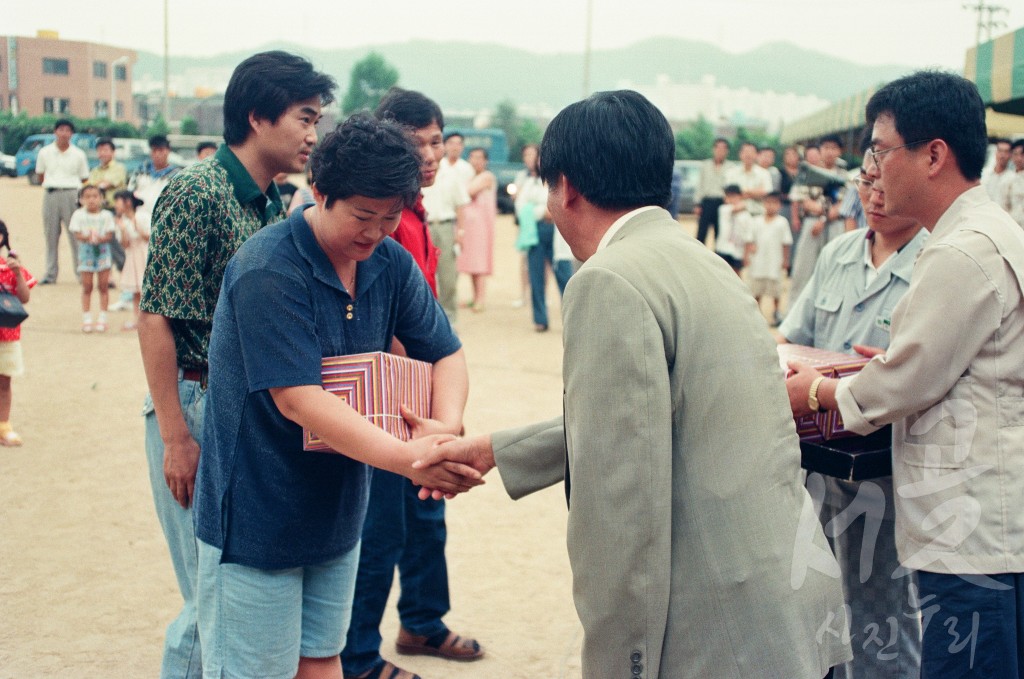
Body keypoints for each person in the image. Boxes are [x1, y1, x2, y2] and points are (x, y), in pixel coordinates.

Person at [416, 89, 851, 679]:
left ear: (566, 186)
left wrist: (623, 662)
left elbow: (621, 510)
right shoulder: (701, 262)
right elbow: (656, 415)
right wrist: (494, 451)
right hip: (782, 606)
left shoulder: (607, 282)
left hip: (717, 635)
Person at [192, 113, 480, 679]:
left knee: (324, 660)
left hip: (339, 513)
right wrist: (415, 460)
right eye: (363, 216)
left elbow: (446, 352)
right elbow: (299, 399)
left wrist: (443, 429)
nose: (375, 232)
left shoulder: (390, 264)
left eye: (392, 218)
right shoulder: (268, 269)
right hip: (259, 516)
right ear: (319, 192)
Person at [786, 70, 1024, 679]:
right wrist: (884, 368)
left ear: (934, 156)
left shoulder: (959, 250)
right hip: (980, 524)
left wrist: (816, 390)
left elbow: (906, 381)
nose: (875, 169)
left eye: (881, 150)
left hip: (971, 536)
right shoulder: (985, 233)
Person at [137, 50, 337, 679]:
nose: (313, 135)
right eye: (305, 118)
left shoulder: (270, 201)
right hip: (194, 402)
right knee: (210, 595)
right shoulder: (197, 191)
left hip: (238, 409)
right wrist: (175, 436)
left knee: (227, 590)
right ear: (257, 116)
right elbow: (154, 317)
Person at [341, 87, 485, 679]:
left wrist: (443, 412)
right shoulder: (377, 222)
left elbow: (435, 334)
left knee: (428, 516)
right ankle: (355, 657)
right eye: (415, 143)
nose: (429, 155)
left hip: (422, 397)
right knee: (379, 532)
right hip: (386, 403)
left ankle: (422, 620)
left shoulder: (418, 217)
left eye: (434, 141)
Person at [778, 147, 927, 679]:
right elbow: (794, 339)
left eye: (885, 182)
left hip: (888, 472)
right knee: (817, 601)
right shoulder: (837, 253)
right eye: (865, 181)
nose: (874, 195)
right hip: (817, 466)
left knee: (881, 613)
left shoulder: (936, 262)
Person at [514, 143, 571, 332]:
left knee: (564, 275)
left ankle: (572, 319)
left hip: (557, 231)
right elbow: (522, 208)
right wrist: (543, 211)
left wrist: (547, 211)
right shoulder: (530, 183)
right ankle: (540, 319)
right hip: (536, 232)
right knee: (536, 276)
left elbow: (565, 206)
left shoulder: (562, 182)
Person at [420, 131, 470, 324]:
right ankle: (427, 320)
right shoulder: (421, 171)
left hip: (446, 227)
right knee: (423, 274)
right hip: (425, 226)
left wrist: (461, 232)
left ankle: (449, 321)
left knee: (448, 277)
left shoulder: (452, 174)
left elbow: (461, 205)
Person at [35, 118, 88, 284]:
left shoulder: (79, 154)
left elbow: (84, 178)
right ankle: (51, 274)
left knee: (75, 235)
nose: (64, 133)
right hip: (51, 194)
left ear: (72, 133)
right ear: (55, 132)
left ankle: (81, 273)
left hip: (72, 194)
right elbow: (40, 175)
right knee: (50, 235)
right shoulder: (44, 152)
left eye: (67, 130)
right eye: (61, 129)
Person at [0, 219, 35, 446]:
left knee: (4, 383)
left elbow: (24, 297)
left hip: (7, 335)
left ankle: (4, 425)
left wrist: (18, 274)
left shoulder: (10, 267)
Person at [69, 185, 116, 333]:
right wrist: (87, 237)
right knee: (87, 286)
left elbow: (109, 235)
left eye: (95, 196)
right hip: (85, 255)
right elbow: (76, 234)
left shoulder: (106, 216)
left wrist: (99, 238)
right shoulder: (78, 215)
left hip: (103, 254)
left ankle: (102, 317)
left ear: (101, 198)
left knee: (103, 286)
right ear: (81, 199)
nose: (91, 200)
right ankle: (87, 318)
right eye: (87, 196)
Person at [456, 147, 497, 312]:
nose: (475, 161)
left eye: (479, 158)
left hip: (481, 226)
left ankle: (481, 298)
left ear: (485, 161)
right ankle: (474, 297)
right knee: (471, 262)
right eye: (472, 157)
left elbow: (467, 192)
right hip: (469, 225)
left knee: (479, 262)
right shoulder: (470, 176)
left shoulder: (487, 176)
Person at [743, 191, 792, 325]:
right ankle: (756, 314)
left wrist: (786, 260)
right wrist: (747, 255)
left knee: (775, 291)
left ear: (779, 205)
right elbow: (749, 240)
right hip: (758, 262)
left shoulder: (782, 222)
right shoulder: (756, 221)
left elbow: (786, 243)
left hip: (774, 263)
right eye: (768, 203)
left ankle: (776, 312)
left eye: (774, 203)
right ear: (764, 204)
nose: (770, 206)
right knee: (756, 290)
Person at [113, 190, 150, 331]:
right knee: (136, 291)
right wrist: (122, 229)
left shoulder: (142, 216)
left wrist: (135, 224)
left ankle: (147, 320)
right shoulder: (121, 221)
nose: (116, 205)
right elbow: (125, 244)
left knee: (146, 289)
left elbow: (149, 237)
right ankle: (137, 319)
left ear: (128, 202)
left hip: (145, 253)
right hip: (133, 255)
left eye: (118, 201)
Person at [693, 137, 730, 247]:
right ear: (713, 149)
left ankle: (719, 257)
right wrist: (697, 204)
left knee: (720, 232)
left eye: (723, 149)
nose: (720, 151)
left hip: (722, 202)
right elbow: (700, 185)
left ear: (727, 151)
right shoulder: (705, 165)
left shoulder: (731, 167)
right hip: (707, 202)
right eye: (718, 148)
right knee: (701, 232)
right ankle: (698, 255)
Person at [130, 135, 182, 212]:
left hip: (162, 215)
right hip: (139, 214)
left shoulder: (176, 175)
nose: (157, 154)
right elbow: (130, 190)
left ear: (168, 151)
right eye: (154, 150)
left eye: (161, 150)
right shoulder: (141, 170)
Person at [725, 140, 772, 216]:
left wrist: (741, 193)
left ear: (757, 155)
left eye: (751, 152)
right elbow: (728, 196)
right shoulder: (731, 173)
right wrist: (756, 192)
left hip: (758, 213)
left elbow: (766, 194)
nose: (748, 154)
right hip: (736, 213)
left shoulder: (764, 173)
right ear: (740, 154)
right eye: (745, 151)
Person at [714, 184, 751, 274]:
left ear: (740, 196)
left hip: (738, 250)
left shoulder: (746, 216)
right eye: (728, 196)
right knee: (721, 273)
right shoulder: (723, 209)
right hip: (723, 247)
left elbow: (748, 237)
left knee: (736, 273)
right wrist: (745, 204)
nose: (730, 199)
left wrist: (746, 255)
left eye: (733, 196)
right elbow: (735, 208)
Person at [982, 137, 1013, 202]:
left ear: (1010, 155)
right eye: (1000, 150)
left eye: (1006, 151)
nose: (1002, 155)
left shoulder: (1012, 178)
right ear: (996, 152)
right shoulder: (984, 174)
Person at [1002, 138, 1024, 227]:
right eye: (1015, 154)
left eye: (1022, 154)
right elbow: (1004, 205)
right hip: (1014, 225)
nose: (1019, 158)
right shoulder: (1008, 178)